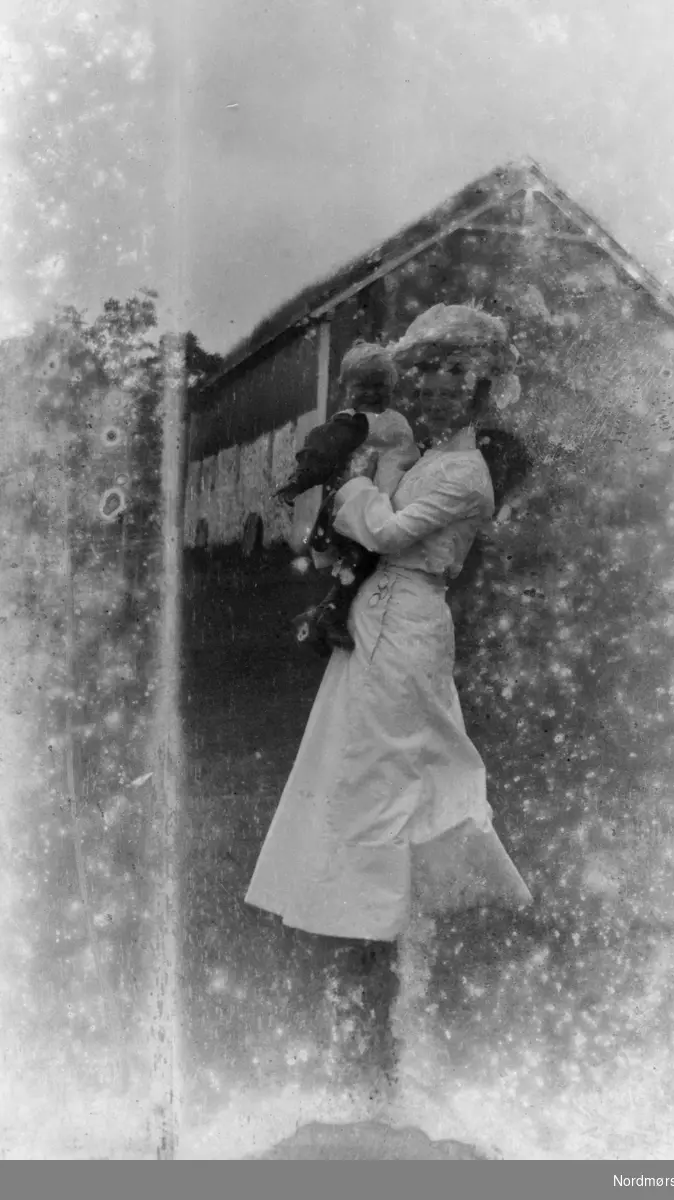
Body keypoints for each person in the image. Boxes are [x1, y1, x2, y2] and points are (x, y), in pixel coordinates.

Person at [245, 304, 533, 1094]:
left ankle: (374, 916)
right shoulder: (423, 453)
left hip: (407, 623)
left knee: (387, 765)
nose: (435, 393)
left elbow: (391, 534)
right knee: (355, 764)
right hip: (378, 618)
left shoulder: (463, 472)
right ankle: (353, 911)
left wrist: (351, 492)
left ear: (478, 390)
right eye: (426, 377)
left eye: (452, 380)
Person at [277, 342, 423, 655]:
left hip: (383, 504)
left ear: (392, 387)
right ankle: (329, 614)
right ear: (345, 388)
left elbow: (407, 454)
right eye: (362, 387)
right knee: (362, 559)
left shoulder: (395, 421)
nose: (371, 394)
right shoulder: (350, 423)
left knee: (371, 563)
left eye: (379, 386)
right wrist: (299, 481)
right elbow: (320, 451)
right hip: (353, 507)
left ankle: (324, 616)